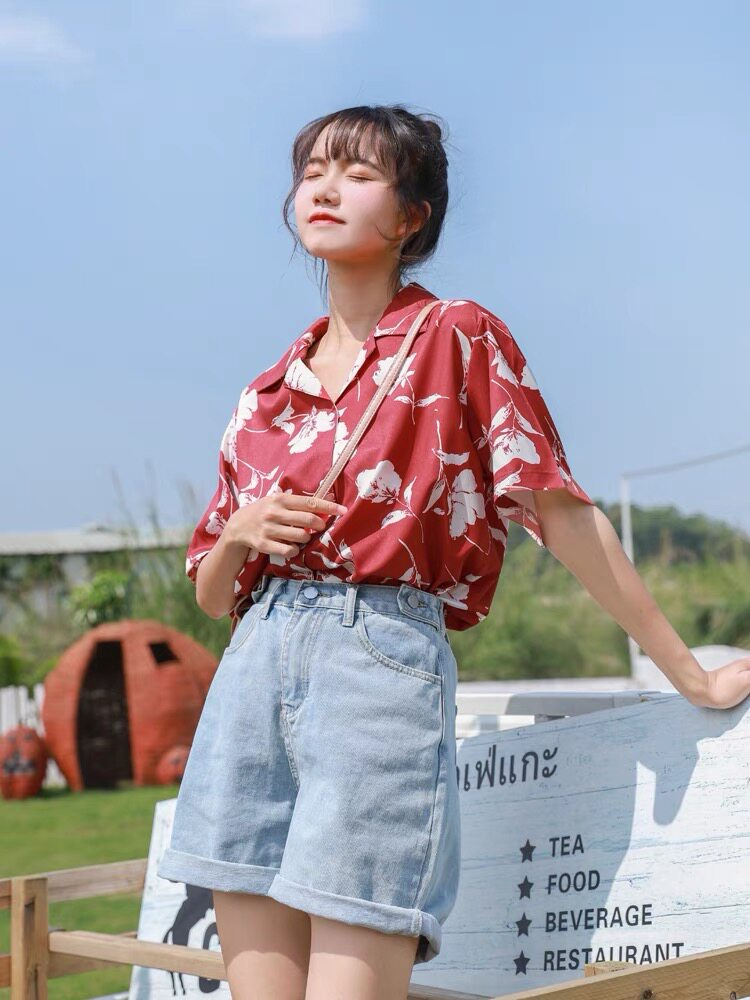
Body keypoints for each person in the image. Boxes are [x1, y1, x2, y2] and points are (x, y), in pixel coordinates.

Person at [157, 104, 750, 1000]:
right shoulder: (266, 394)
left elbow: (559, 511)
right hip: (250, 675)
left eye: (358, 173)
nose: (325, 187)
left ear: (412, 216)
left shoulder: (456, 335)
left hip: (375, 663)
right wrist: (239, 535)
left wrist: (689, 675)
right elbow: (213, 596)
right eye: (312, 171)